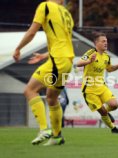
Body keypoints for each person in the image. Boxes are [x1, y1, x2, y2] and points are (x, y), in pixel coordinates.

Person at [13, 0, 74, 145]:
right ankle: (57, 136)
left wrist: (18, 48)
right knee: (52, 98)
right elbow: (64, 41)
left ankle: (44, 129)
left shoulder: (45, 6)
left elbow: (32, 32)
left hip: (57, 61)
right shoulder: (67, 13)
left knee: (30, 90)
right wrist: (46, 55)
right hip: (66, 61)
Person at [77, 32, 118, 133]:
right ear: (96, 43)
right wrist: (89, 61)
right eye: (103, 41)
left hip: (101, 86)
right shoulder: (91, 53)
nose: (106, 43)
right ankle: (113, 128)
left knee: (114, 104)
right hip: (89, 89)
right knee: (102, 111)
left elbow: (110, 69)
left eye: (106, 41)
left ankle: (106, 114)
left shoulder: (106, 57)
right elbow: (79, 63)